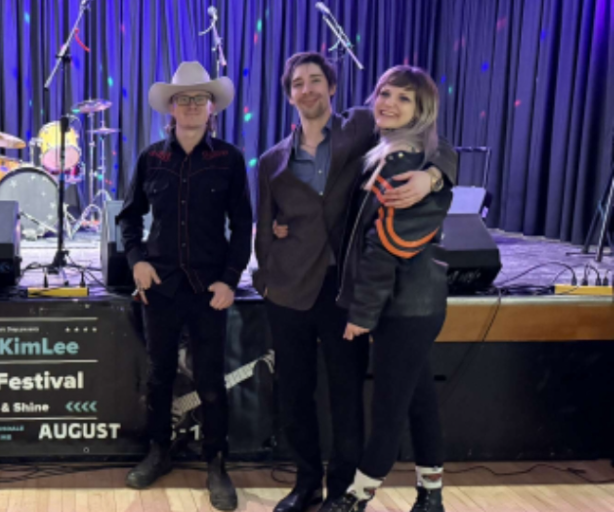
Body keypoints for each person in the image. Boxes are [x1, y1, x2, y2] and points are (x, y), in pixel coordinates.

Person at [253, 52, 456, 512]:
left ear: (332, 87)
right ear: (289, 95)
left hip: (346, 286)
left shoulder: (365, 126)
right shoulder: (270, 161)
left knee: (346, 395)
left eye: (316, 80)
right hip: (288, 289)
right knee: (294, 394)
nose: (307, 89)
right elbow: (265, 226)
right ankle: (306, 484)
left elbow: (435, 140)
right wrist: (264, 278)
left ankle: (344, 489)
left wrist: (432, 176)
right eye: (298, 83)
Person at [117, 61, 253, 511]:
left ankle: (216, 463)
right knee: (159, 376)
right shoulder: (151, 158)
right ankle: (158, 452)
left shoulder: (229, 159)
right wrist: (137, 262)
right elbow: (129, 218)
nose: (192, 105)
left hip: (209, 289)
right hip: (160, 285)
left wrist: (230, 280)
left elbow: (243, 224)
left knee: (210, 380)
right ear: (171, 108)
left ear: (212, 107)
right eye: (183, 99)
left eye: (200, 98)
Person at [323, 66, 452, 512]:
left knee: (389, 408)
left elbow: (382, 250)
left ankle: (356, 498)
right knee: (419, 399)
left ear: (421, 110)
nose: (388, 103)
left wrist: (362, 313)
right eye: (384, 93)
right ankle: (431, 496)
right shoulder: (391, 151)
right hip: (410, 304)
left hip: (406, 306)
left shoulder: (404, 163)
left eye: (403, 98)